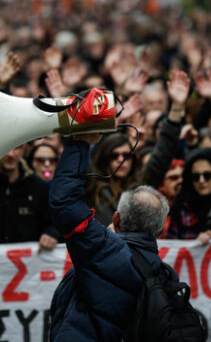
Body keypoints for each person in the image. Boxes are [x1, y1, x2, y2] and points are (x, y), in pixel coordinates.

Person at [48, 134, 177, 341]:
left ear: (115, 219)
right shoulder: (166, 275)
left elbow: (65, 203)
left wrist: (79, 140)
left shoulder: (102, 250)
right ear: (160, 231)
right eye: (114, 155)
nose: (120, 160)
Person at [86, 132, 140, 226]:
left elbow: (159, 160)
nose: (120, 160)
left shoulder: (140, 189)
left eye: (126, 155)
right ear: (105, 158)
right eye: (114, 156)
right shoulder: (93, 187)